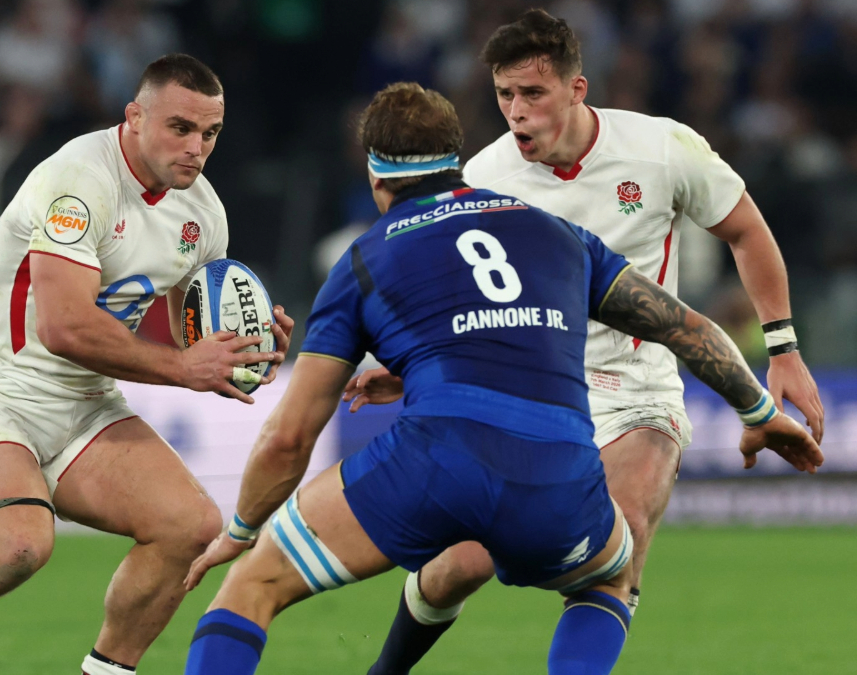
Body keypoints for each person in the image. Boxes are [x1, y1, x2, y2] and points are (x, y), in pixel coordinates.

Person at [180, 82, 821, 675]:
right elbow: (686, 329)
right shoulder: (558, 235)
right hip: (556, 473)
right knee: (610, 578)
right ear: (456, 158)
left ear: (374, 171)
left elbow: (290, 438)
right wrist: (760, 412)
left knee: (254, 586)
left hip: (437, 463)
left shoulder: (364, 260)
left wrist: (239, 531)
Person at [353, 12, 827, 673]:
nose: (517, 112)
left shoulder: (662, 150)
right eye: (504, 96)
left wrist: (783, 348)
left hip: (639, 389)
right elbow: (467, 299)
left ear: (577, 90)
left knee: (617, 546)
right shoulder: (484, 178)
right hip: (531, 391)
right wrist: (408, 371)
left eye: (533, 94)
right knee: (458, 564)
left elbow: (746, 230)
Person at [0, 54, 293, 675]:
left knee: (189, 525)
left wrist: (243, 348)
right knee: (18, 545)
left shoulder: (202, 212)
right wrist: (183, 369)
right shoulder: (79, 179)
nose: (197, 148)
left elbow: (190, 329)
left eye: (210, 133)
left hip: (83, 404)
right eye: (181, 128)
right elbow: (63, 326)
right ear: (135, 116)